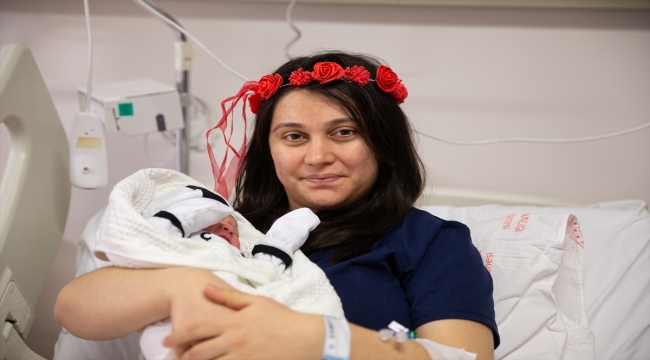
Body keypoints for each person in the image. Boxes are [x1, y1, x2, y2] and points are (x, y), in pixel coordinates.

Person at [55, 51, 499, 360]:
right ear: (269, 149)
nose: (317, 156)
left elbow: (463, 356)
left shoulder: (429, 243)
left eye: (344, 132)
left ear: (384, 143)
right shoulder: (224, 223)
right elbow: (74, 308)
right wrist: (180, 287)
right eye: (294, 136)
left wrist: (315, 338)